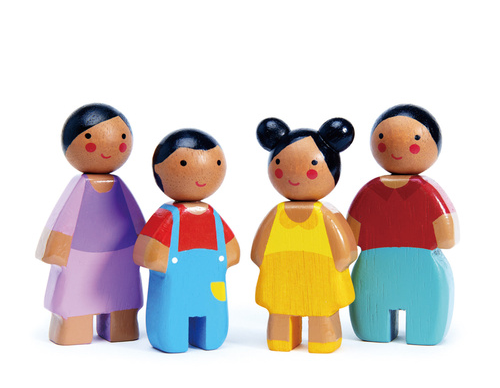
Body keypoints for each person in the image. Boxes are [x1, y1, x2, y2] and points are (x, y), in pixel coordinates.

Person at [347, 104, 459, 345]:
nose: (397, 145)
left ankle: (423, 331)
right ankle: (375, 329)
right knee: (373, 309)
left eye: (416, 138)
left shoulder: (427, 191)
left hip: (422, 264)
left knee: (424, 311)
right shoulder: (370, 192)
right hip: (374, 264)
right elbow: (350, 235)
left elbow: (448, 237)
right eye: (383, 137)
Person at [36, 103, 144, 345]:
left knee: (122, 297)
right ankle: (73, 328)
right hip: (78, 257)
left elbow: (139, 225)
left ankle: (122, 325)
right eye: (90, 138)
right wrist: (55, 248)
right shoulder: (79, 187)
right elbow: (63, 222)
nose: (111, 144)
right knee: (75, 297)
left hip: (121, 257)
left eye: (122, 137)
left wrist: (146, 247)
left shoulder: (120, 187)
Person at [252, 117, 357, 353]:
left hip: (320, 276)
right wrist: (263, 262)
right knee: (281, 310)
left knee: (322, 309)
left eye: (311, 164)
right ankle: (281, 339)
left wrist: (341, 262)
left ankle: (323, 339)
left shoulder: (326, 214)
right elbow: (259, 250)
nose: (295, 173)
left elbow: (346, 251)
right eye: (282, 163)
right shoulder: (277, 213)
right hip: (281, 275)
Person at [134, 129, 240, 353]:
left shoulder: (212, 215)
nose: (202, 172)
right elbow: (145, 252)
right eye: (184, 164)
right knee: (174, 312)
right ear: (159, 170)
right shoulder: (169, 215)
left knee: (211, 311)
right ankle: (172, 338)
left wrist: (226, 260)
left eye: (214, 164)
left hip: (211, 280)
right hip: (176, 279)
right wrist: (158, 260)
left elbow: (232, 249)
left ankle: (209, 336)